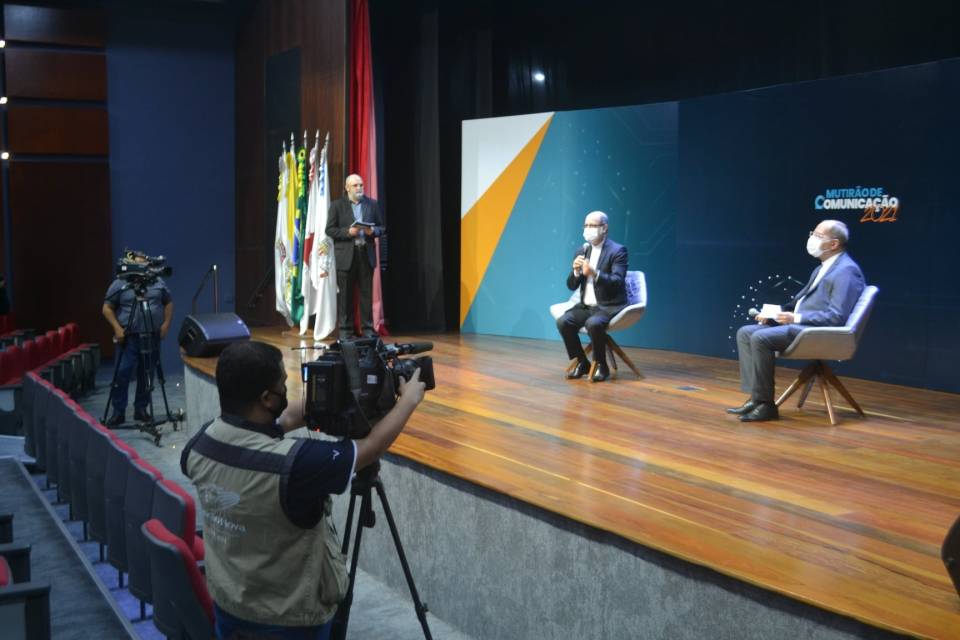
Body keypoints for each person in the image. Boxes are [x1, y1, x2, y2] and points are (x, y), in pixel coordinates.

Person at [181, 340, 425, 640]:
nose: (287, 389)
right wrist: (409, 401)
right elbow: (369, 448)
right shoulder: (296, 465)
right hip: (288, 620)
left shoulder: (200, 444)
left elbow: (276, 424)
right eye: (283, 383)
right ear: (267, 398)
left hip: (229, 605)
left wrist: (330, 395)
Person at [729, 219, 865, 422]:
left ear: (834, 244)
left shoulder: (846, 271)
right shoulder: (822, 268)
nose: (811, 238)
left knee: (760, 338)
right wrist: (775, 314)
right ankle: (756, 398)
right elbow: (797, 303)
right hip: (800, 325)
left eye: (818, 235)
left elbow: (837, 317)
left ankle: (766, 406)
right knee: (745, 332)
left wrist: (796, 318)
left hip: (815, 331)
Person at [556, 211, 629, 382]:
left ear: (604, 228)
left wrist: (594, 274)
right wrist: (575, 271)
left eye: (593, 225)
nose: (588, 229)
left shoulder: (618, 251)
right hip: (586, 306)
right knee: (563, 322)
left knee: (593, 323)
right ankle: (582, 362)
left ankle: (601, 365)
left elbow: (618, 281)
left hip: (607, 305)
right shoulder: (582, 250)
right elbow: (571, 285)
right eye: (586, 225)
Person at [101, 252, 173, 426]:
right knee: (122, 373)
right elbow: (106, 308)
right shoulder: (120, 282)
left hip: (152, 335)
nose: (144, 264)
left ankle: (141, 410)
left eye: (145, 262)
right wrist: (117, 329)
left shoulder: (157, 281)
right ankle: (118, 412)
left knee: (147, 374)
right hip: (129, 337)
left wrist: (165, 325)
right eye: (139, 262)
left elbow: (168, 302)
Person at [325, 174, 385, 340]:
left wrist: (373, 232)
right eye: (356, 185)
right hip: (346, 256)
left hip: (365, 253)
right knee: (346, 295)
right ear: (347, 188)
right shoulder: (337, 206)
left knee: (366, 294)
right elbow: (329, 230)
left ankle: (367, 329)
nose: (359, 188)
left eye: (361, 185)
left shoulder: (371, 204)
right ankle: (345, 330)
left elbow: (382, 227)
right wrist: (347, 232)